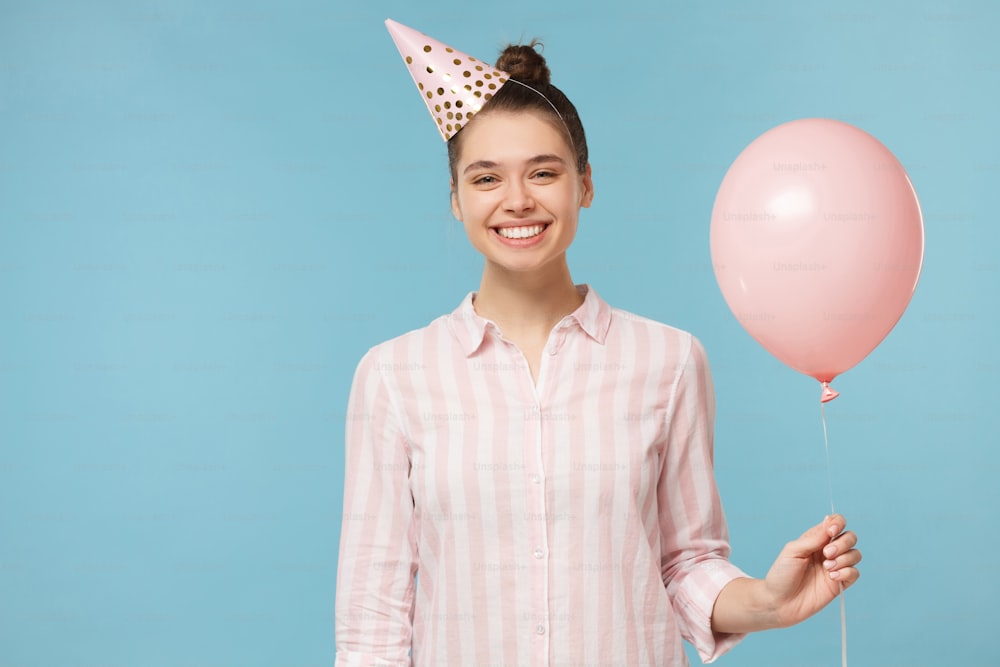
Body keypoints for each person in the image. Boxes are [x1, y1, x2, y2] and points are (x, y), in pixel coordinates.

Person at [335, 19, 861, 666]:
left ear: (585, 183)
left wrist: (768, 601)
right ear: (455, 199)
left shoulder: (669, 361)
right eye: (486, 178)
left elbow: (686, 563)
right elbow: (373, 622)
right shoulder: (393, 376)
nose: (518, 201)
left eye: (544, 173)